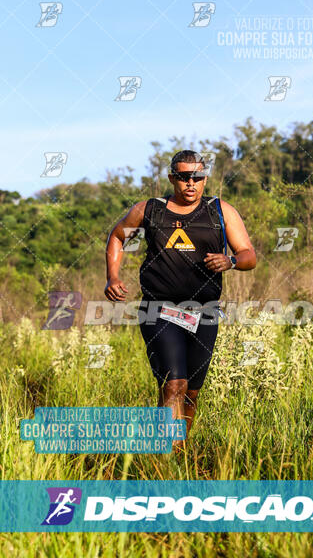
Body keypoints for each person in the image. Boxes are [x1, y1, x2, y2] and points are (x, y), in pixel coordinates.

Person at [105, 150, 256, 449]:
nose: (191, 183)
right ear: (172, 177)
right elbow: (118, 236)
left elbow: (249, 255)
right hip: (158, 309)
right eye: (184, 177)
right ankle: (165, 455)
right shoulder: (151, 211)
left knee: (192, 393)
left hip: (205, 312)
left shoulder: (220, 211)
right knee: (174, 385)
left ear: (205, 178)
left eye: (197, 177)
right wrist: (113, 276)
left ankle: (181, 451)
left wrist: (231, 261)